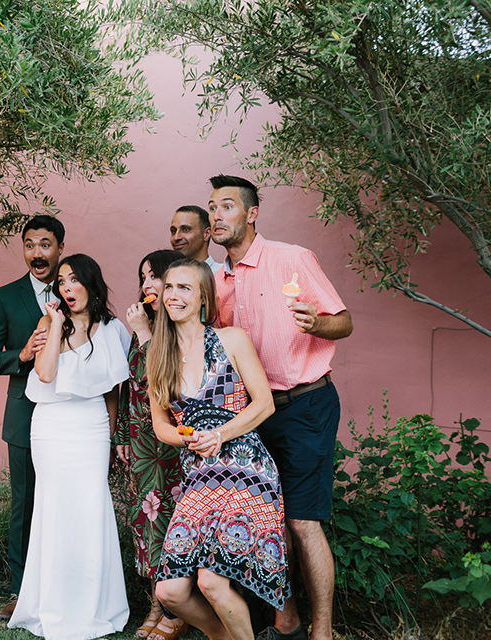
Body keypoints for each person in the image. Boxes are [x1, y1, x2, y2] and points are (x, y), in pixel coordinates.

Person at [208, 175, 353, 640]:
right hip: (250, 413)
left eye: (226, 206)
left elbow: (344, 321)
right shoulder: (215, 280)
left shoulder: (291, 258)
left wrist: (318, 325)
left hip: (304, 404)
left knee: (302, 519)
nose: (215, 215)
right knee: (265, 519)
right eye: (211, 207)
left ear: (251, 214)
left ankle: (322, 632)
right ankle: (286, 622)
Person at [148, 258, 288, 640]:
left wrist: (221, 434)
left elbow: (264, 404)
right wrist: (187, 437)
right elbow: (161, 424)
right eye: (169, 287)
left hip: (245, 467)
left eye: (185, 288)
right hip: (200, 473)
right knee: (169, 591)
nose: (174, 295)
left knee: (210, 581)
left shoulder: (232, 339)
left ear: (204, 296)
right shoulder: (159, 354)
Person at [8, 254, 131, 640]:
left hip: (92, 427)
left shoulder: (112, 331)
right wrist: (58, 323)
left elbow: (113, 392)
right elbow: (45, 373)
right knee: (54, 508)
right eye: (61, 281)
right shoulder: (50, 323)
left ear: (91, 284)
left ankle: (95, 603)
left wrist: (111, 439)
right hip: (51, 425)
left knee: (91, 508)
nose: (66, 287)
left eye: (74, 279)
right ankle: (53, 604)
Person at [0, 215, 65, 619]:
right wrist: (22, 356)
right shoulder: (6, 297)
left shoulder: (75, 289)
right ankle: (19, 590)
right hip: (25, 416)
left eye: (44, 244)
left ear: (59, 247)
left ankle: (63, 585)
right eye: (29, 245)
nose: (37, 253)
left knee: (66, 500)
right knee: (24, 504)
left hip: (71, 416)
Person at [114, 249, 189, 640]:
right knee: (146, 522)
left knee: (174, 522)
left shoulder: (178, 329)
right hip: (143, 443)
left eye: (154, 276)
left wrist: (144, 334)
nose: (147, 284)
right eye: (143, 276)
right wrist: (124, 436)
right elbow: (130, 387)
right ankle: (156, 603)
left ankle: (178, 609)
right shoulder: (142, 327)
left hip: (173, 441)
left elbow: (157, 383)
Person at [169, 205, 222, 273]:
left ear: (207, 234)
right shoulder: (167, 275)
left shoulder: (224, 275)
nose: (176, 237)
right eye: (173, 231)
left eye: (185, 229)